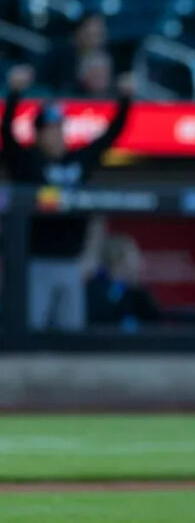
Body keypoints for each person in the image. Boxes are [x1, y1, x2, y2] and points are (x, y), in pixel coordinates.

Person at [1, 64, 133, 331]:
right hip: (35, 261)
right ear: (38, 134)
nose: (57, 134)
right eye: (50, 129)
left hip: (72, 262)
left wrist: (125, 100)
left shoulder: (78, 160)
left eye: (59, 128)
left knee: (71, 332)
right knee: (31, 329)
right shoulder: (28, 161)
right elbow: (6, 135)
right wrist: (14, 94)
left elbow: (109, 136)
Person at [86, 235, 161, 330]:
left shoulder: (139, 294)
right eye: (135, 253)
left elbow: (156, 325)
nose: (140, 260)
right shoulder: (96, 290)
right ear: (117, 258)